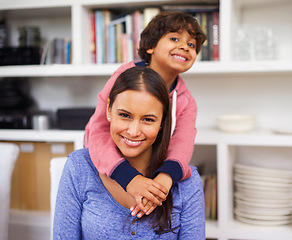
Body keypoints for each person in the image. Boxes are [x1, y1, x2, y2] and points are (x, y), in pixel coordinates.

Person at [54, 67, 205, 239]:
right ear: (109, 110)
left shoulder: (188, 182)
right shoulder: (79, 167)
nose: (133, 131)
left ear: (162, 122)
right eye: (125, 115)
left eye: (148, 119)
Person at [84, 11, 207, 217]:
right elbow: (97, 132)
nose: (185, 47)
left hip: (150, 169)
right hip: (107, 166)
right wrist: (130, 179)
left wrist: (162, 182)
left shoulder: (186, 102)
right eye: (175, 38)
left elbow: (182, 146)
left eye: (192, 45)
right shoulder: (124, 78)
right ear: (150, 46)